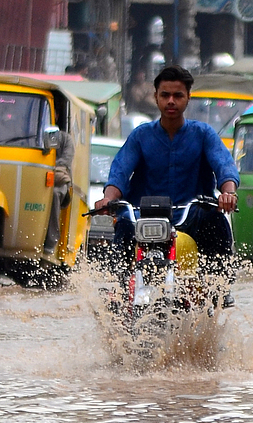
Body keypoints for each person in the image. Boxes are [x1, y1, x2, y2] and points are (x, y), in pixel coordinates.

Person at [93, 64, 239, 272]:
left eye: (177, 95)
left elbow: (224, 166)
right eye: (165, 95)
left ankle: (218, 287)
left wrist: (228, 194)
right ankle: (121, 292)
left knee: (215, 221)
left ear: (188, 97)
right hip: (143, 218)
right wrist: (109, 199)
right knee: (123, 226)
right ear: (156, 97)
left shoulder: (204, 134)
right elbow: (120, 172)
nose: (171, 101)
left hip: (192, 217)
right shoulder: (140, 136)